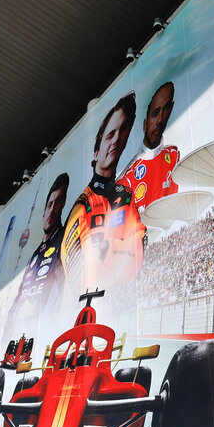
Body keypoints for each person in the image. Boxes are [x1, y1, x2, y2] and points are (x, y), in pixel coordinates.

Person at [62, 94, 145, 289]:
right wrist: (120, 249)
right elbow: (80, 273)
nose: (116, 140)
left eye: (122, 131)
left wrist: (106, 249)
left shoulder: (126, 196)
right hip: (91, 302)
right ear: (96, 153)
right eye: (110, 135)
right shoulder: (82, 205)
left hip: (125, 297)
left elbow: (140, 246)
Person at [8, 172, 70, 338]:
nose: (52, 210)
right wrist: (6, 337)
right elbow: (18, 298)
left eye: (58, 203)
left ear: (63, 205)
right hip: (21, 337)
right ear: (43, 213)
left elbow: (64, 292)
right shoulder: (35, 254)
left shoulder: (64, 239)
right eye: (49, 204)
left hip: (44, 335)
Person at [117, 80, 181, 208]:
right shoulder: (127, 176)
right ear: (145, 124)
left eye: (166, 109)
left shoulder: (173, 154)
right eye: (155, 113)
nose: (160, 119)